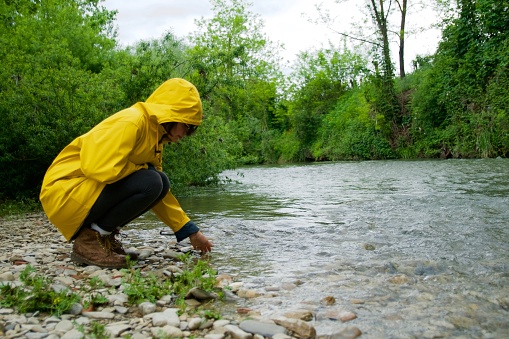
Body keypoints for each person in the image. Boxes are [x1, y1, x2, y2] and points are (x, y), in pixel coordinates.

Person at [40, 78, 213, 269]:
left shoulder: (155, 136)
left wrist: (191, 231)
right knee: (153, 180)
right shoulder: (132, 121)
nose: (186, 134)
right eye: (187, 125)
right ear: (172, 114)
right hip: (65, 191)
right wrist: (141, 169)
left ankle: (102, 238)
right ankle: (88, 241)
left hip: (82, 192)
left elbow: (159, 194)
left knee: (160, 182)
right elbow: (98, 167)